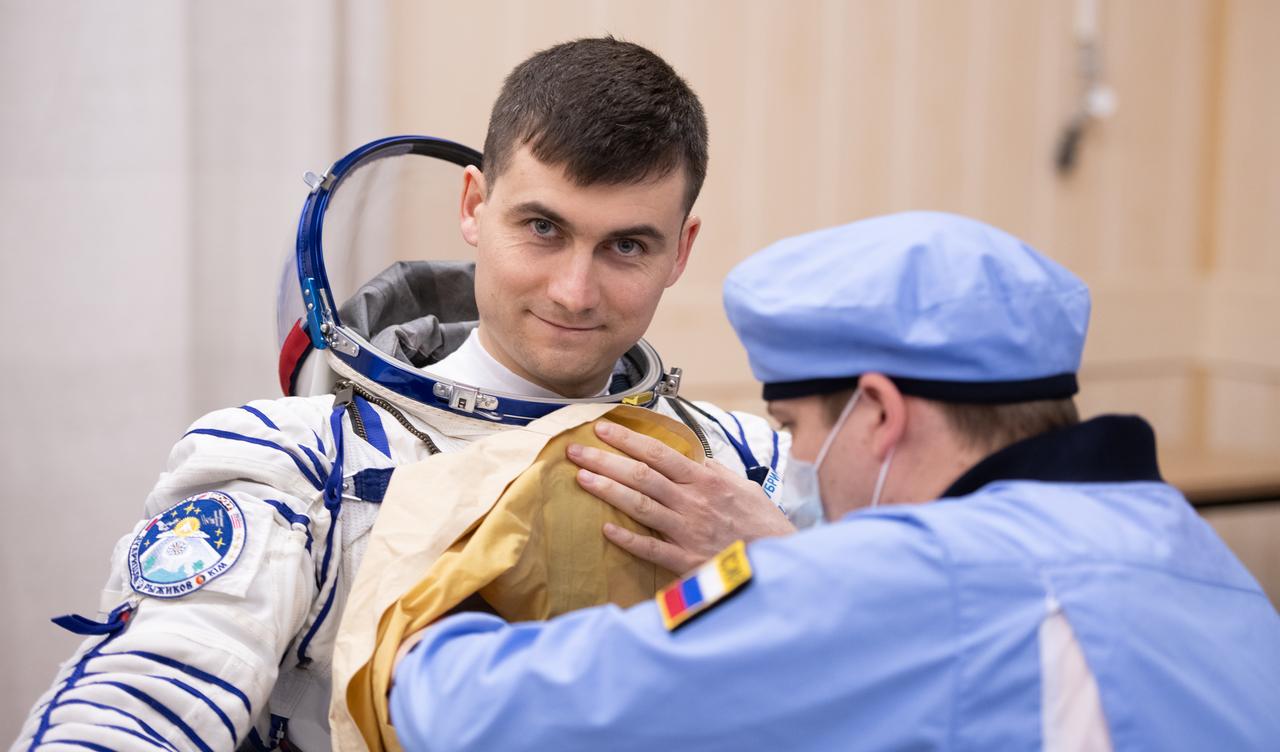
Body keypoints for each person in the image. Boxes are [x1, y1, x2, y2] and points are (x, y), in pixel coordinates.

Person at [13, 38, 785, 752]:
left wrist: (791, 563)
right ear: (473, 206)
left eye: (626, 245)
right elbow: (144, 699)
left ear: (680, 251)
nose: (574, 291)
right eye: (543, 228)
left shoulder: (744, 470)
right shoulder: (304, 464)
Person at [389, 211, 1280, 751]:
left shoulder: (908, 583)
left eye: (795, 429)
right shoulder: (1205, 564)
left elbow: (495, 714)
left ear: (880, 413)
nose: (794, 458)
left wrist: (425, 607)